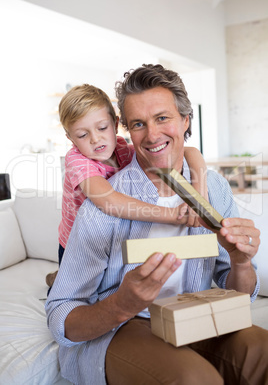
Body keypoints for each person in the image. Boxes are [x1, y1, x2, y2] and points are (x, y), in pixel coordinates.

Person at [45, 64, 268, 385]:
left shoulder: (214, 188)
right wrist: (121, 305)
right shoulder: (103, 201)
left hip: (196, 314)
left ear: (185, 120)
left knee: (262, 350)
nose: (151, 135)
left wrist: (242, 263)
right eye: (139, 124)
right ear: (128, 129)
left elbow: (238, 295)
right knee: (192, 378)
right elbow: (61, 316)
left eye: (163, 118)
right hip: (125, 326)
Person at [46, 84, 207, 287]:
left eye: (102, 128)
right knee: (72, 287)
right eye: (82, 135)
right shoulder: (77, 160)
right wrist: (173, 215)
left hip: (109, 236)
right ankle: (56, 280)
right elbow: (108, 201)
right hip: (76, 244)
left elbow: (191, 152)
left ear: (115, 124)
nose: (96, 139)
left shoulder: (122, 147)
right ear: (70, 138)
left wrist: (199, 199)